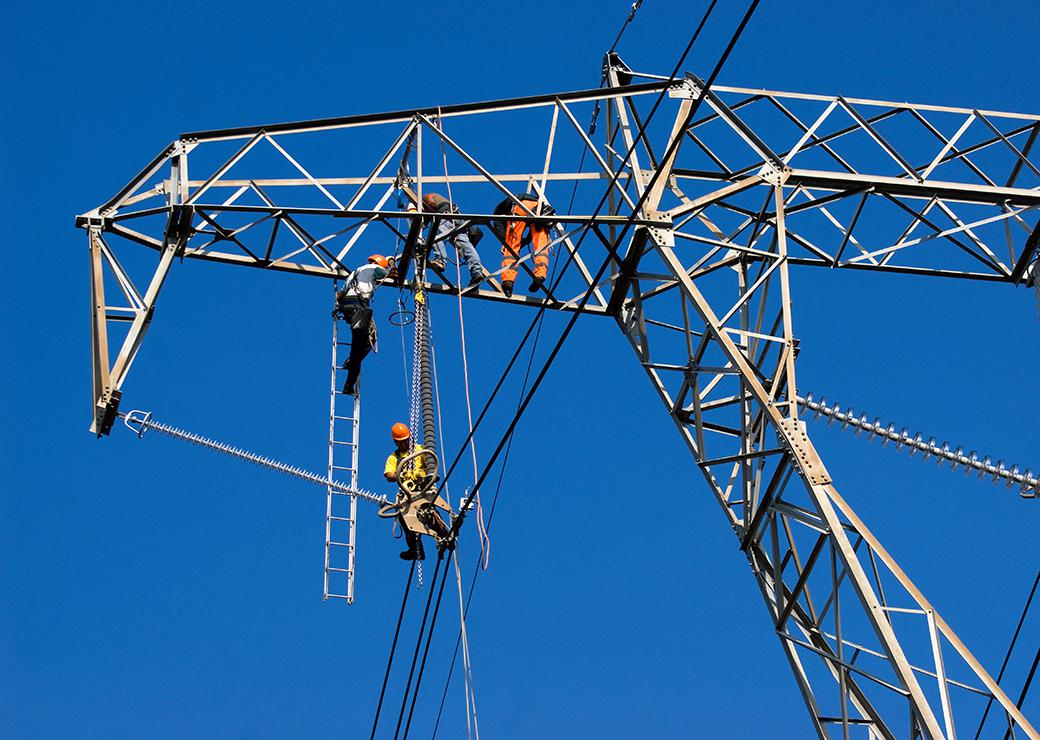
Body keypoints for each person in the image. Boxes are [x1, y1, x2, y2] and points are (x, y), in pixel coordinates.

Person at [334, 254, 389, 395]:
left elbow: (341, 292)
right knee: (368, 341)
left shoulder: (355, 272)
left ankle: (349, 381)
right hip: (358, 306)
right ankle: (350, 364)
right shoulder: (374, 268)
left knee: (358, 345)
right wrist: (392, 264)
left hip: (348, 306)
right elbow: (391, 274)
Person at [384, 422, 437, 560]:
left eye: (405, 441)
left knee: (430, 512)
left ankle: (443, 535)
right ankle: (415, 549)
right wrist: (399, 475)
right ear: (395, 442)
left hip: (423, 488)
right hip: (408, 493)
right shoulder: (394, 458)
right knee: (405, 519)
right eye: (400, 442)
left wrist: (429, 473)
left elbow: (430, 459)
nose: (403, 444)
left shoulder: (419, 450)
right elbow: (388, 475)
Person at [491, 193, 555, 297]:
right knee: (540, 244)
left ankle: (508, 280)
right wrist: (525, 241)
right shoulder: (514, 203)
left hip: (520, 206)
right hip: (537, 208)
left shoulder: (499, 213)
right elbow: (531, 235)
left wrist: (504, 242)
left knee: (511, 245)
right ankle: (540, 275)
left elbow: (498, 222)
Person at [419, 192, 486, 287]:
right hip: (458, 221)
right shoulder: (440, 199)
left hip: (446, 217)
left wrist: (424, 221)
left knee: (434, 238)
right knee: (468, 249)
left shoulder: (425, 197)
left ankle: (440, 260)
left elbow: (432, 204)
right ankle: (476, 273)